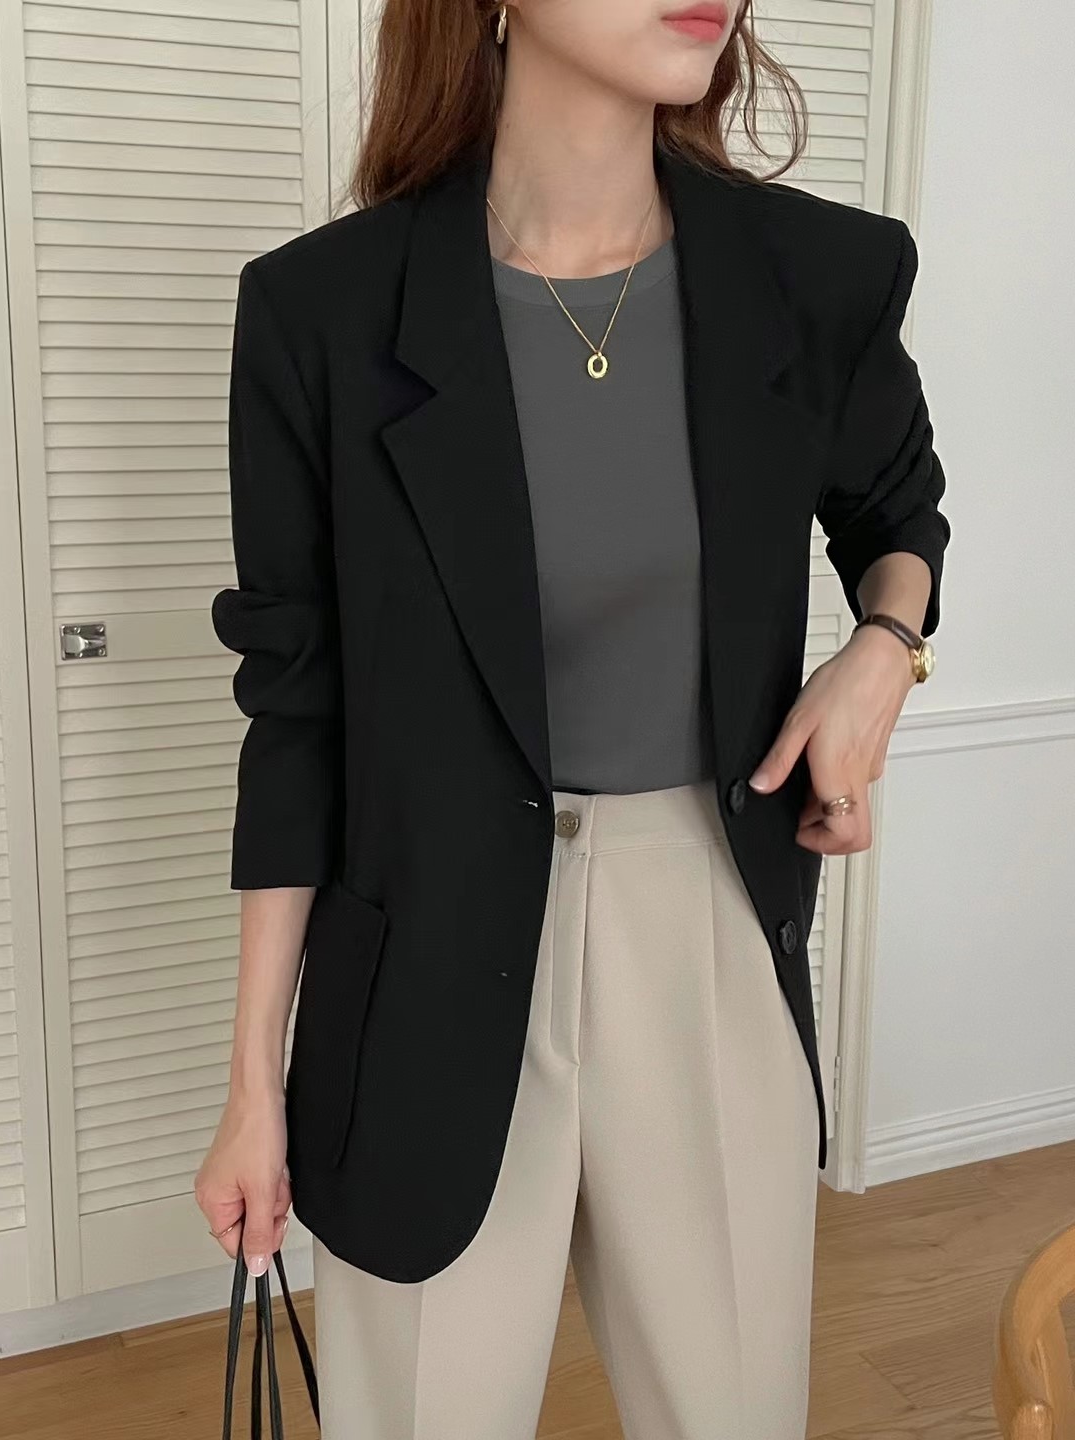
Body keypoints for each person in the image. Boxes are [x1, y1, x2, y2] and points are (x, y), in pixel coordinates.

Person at [195, 0, 950, 1434]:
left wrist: (883, 650)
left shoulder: (817, 274)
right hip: (420, 955)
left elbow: (897, 510)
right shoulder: (322, 312)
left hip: (708, 925)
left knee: (734, 1410)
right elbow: (296, 716)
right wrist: (252, 1088)